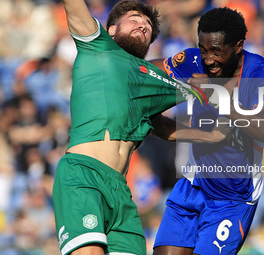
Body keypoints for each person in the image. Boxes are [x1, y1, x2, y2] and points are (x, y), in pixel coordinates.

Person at [52, 1, 229, 255]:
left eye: (147, 26)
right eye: (135, 19)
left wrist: (209, 135)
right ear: (111, 29)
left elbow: (160, 126)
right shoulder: (97, 46)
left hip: (121, 189)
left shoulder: (148, 80)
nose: (143, 26)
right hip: (84, 174)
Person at [151, 7, 264, 255]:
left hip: (232, 197)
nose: (208, 59)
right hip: (192, 184)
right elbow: (148, 71)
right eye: (203, 49)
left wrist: (216, 97)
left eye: (216, 51)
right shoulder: (193, 61)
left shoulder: (260, 74)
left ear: (238, 46)